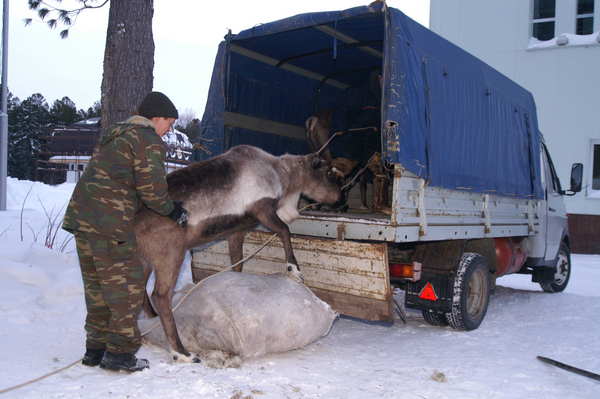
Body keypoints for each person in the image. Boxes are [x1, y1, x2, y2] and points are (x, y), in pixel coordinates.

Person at [62, 92, 189, 372]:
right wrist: (174, 211)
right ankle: (119, 353)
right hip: (110, 222)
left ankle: (95, 349)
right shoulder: (146, 140)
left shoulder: (116, 135)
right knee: (127, 289)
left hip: (83, 219)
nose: (169, 129)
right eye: (169, 122)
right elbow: (153, 191)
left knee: (97, 288)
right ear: (156, 118)